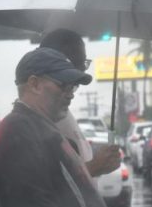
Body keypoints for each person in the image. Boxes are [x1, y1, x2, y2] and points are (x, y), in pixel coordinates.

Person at [0, 47, 112, 207]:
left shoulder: (43, 128)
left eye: (72, 87)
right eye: (63, 85)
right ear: (34, 84)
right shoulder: (18, 129)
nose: (71, 94)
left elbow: (61, 192)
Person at [39, 28, 122, 177]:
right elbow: (45, 184)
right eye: (79, 61)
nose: (84, 68)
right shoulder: (35, 125)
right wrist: (93, 168)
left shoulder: (60, 112)